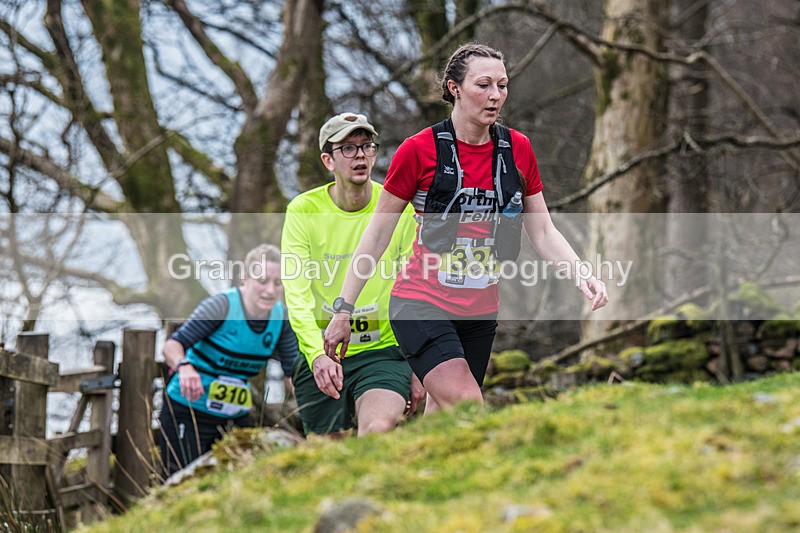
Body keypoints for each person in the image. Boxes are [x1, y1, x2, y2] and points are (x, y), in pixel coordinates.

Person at [323, 43, 609, 412]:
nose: (495, 96)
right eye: (484, 85)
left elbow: (542, 231)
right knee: (468, 404)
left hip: (479, 312)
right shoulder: (419, 150)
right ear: (455, 88)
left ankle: (417, 469)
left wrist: (580, 272)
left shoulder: (517, 150)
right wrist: (343, 310)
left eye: (502, 86)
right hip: (419, 302)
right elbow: (378, 234)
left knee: (444, 416)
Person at [281, 112, 425, 436]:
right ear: (328, 160)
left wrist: (421, 363)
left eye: (366, 146)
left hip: (384, 351)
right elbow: (297, 292)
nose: (359, 155)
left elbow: (416, 288)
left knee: (378, 429)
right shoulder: (302, 211)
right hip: (324, 352)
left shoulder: (398, 207)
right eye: (347, 148)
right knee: (327, 454)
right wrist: (316, 354)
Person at [159, 244, 298, 476]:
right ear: (245, 279)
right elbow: (172, 346)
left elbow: (292, 371)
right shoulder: (222, 306)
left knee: (235, 479)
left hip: (234, 414)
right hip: (189, 409)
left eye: (278, 283)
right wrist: (184, 368)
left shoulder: (281, 317)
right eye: (262, 280)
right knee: (182, 480)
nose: (270, 290)